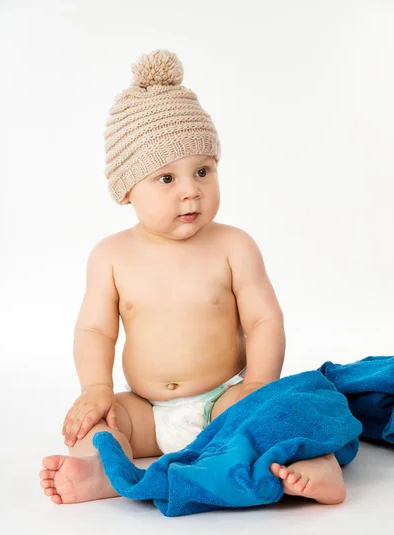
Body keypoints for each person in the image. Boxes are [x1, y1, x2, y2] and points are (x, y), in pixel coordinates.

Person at [39, 49, 346, 506]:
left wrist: (258, 383)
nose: (191, 190)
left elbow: (264, 321)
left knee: (275, 415)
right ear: (126, 190)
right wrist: (96, 389)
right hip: (145, 410)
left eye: (203, 171)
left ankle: (317, 468)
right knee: (102, 424)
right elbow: (95, 329)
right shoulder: (111, 256)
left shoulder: (233, 246)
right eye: (166, 178)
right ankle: (101, 472)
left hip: (223, 399)